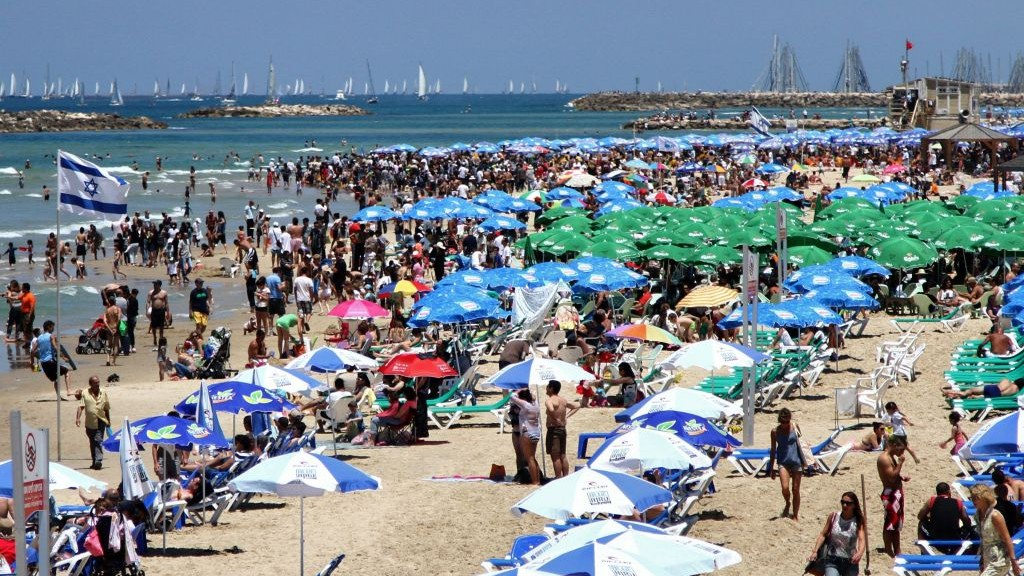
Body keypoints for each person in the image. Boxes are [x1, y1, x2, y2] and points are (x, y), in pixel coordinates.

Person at [807, 491, 866, 576]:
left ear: (854, 505)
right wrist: (815, 551)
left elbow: (861, 539)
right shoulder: (834, 516)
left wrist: (860, 552)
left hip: (851, 562)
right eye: (843, 502)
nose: (844, 505)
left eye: (848, 503)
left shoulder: (858, 520)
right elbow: (823, 534)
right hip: (832, 560)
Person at [969, 484, 1022, 576]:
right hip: (987, 557)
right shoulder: (978, 514)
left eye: (975, 497)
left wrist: (1014, 561)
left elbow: (1007, 538)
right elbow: (983, 540)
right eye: (971, 497)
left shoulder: (995, 515)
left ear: (983, 497)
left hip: (999, 558)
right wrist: (982, 560)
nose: (973, 500)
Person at [878, 434, 911, 557]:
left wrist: (900, 476)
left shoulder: (890, 456)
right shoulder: (884, 458)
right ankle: (890, 550)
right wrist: (900, 463)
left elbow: (892, 475)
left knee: (896, 523)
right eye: (901, 449)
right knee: (890, 523)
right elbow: (891, 478)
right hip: (891, 493)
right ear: (893, 445)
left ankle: (896, 550)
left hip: (895, 493)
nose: (902, 452)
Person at [768, 407, 803, 520]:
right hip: (783, 462)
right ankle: (788, 502)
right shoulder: (775, 432)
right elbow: (773, 450)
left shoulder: (795, 426)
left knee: (796, 489)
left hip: (797, 461)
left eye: (787, 421)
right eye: (783, 422)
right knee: (785, 487)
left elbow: (801, 443)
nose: (785, 424)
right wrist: (771, 468)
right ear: (779, 421)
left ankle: (795, 515)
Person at [917, 482, 972, 552]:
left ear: (937, 493)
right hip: (954, 539)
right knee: (969, 528)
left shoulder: (932, 500)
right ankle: (957, 551)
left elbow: (920, 516)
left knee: (922, 523)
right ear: (949, 492)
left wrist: (929, 517)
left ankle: (924, 551)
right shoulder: (958, 503)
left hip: (935, 538)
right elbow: (967, 521)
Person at [544, 380, 579, 479]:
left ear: (551, 388)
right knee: (563, 455)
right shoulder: (563, 400)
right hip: (562, 429)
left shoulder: (549, 400)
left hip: (553, 429)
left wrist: (556, 419)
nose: (546, 388)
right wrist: (565, 417)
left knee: (555, 456)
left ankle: (558, 478)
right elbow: (576, 406)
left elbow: (551, 409)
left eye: (547, 386)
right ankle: (565, 477)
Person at [76, 375, 111, 470]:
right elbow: (81, 406)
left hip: (101, 420)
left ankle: (98, 461)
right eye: (95, 383)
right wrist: (78, 418)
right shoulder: (85, 393)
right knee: (92, 441)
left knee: (98, 439)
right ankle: (94, 462)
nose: (97, 384)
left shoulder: (103, 393)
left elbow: (106, 408)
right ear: (90, 384)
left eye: (98, 382)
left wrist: (108, 421)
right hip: (90, 422)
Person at [510, 389, 541, 485]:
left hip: (527, 432)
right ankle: (538, 479)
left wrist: (517, 391)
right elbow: (533, 395)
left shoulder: (525, 405)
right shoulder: (535, 404)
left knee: (529, 459)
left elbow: (511, 396)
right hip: (536, 432)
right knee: (533, 458)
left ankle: (535, 481)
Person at [32, 319, 71, 397]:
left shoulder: (39, 338)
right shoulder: (51, 336)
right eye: (52, 327)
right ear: (49, 327)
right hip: (51, 361)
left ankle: (59, 396)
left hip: (43, 364)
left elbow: (32, 351)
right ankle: (69, 391)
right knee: (66, 371)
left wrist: (32, 362)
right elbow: (55, 347)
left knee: (56, 379)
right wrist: (63, 357)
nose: (53, 329)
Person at [944, 378, 1021, 399]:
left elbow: (998, 386)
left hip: (993, 389)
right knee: (973, 396)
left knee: (969, 391)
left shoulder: (1007, 380)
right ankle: (954, 396)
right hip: (996, 396)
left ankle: (948, 391)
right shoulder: (1016, 391)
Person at [147, 280, 168, 348]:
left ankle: (161, 339)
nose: (154, 285)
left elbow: (167, 303)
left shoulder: (164, 293)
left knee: (161, 326)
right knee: (154, 326)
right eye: (154, 284)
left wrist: (167, 312)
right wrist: (147, 310)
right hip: (154, 310)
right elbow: (148, 302)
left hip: (161, 310)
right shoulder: (151, 293)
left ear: (159, 285)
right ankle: (155, 337)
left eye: (155, 284)